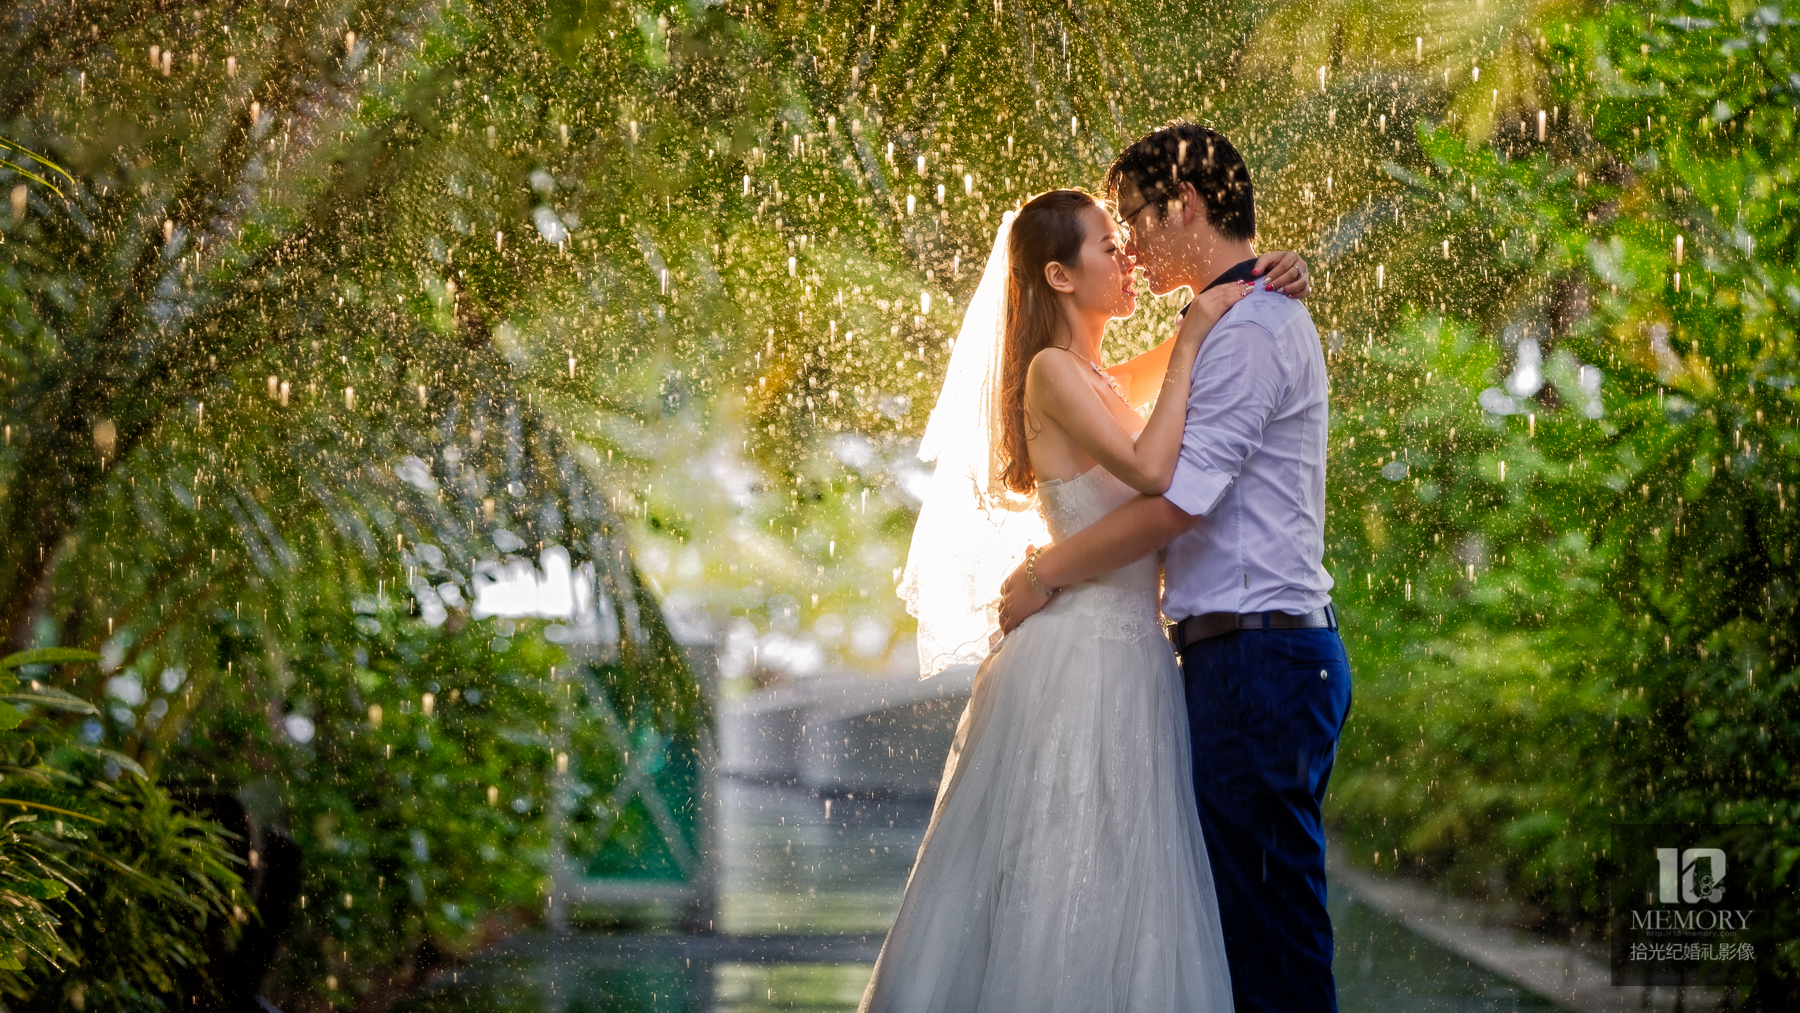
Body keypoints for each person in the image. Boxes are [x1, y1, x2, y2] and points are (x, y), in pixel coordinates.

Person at [858, 183, 1313, 1011]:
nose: (1127, 256)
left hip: (1137, 653)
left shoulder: (1100, 378)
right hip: (1076, 660)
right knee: (1060, 875)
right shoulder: (1051, 373)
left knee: (1132, 885)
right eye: (1109, 245)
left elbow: (1192, 338)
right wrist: (1199, 329)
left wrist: (1270, 270)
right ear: (1061, 277)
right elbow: (1151, 470)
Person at [998, 121, 1353, 1013]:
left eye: (1134, 221)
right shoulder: (1239, 316)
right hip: (1234, 658)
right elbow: (1116, 396)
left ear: (1184, 203)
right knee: (1234, 929)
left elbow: (1175, 498)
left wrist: (1044, 573)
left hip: (1253, 659)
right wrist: (1243, 288)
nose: (1130, 247)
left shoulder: (1245, 329)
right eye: (1109, 234)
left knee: (1269, 941)